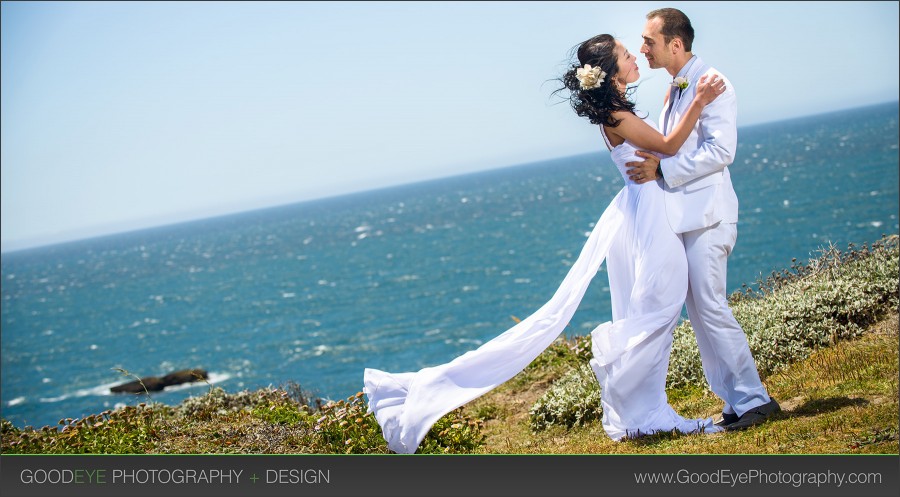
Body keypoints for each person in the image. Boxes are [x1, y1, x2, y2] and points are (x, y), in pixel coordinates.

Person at [363, 31, 731, 453]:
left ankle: (644, 411)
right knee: (659, 307)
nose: (636, 57)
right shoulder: (614, 113)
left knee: (656, 308)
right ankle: (645, 413)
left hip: (647, 207)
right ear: (611, 75)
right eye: (628, 55)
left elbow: (660, 147)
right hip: (649, 212)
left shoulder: (617, 107)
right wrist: (699, 102)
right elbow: (666, 145)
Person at [625, 7, 780, 431]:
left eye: (649, 42)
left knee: (711, 308)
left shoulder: (714, 83)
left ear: (676, 44)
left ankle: (755, 400)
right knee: (701, 313)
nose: (643, 49)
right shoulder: (677, 88)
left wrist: (662, 171)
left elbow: (721, 151)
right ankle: (735, 400)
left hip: (710, 217)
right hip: (686, 219)